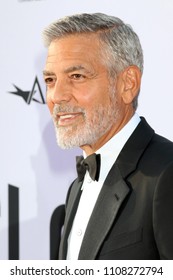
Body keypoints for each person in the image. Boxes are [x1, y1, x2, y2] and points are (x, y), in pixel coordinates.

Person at [42, 13, 173, 260]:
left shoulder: (167, 172)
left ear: (127, 84)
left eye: (77, 76)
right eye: (50, 79)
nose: (57, 96)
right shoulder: (78, 186)